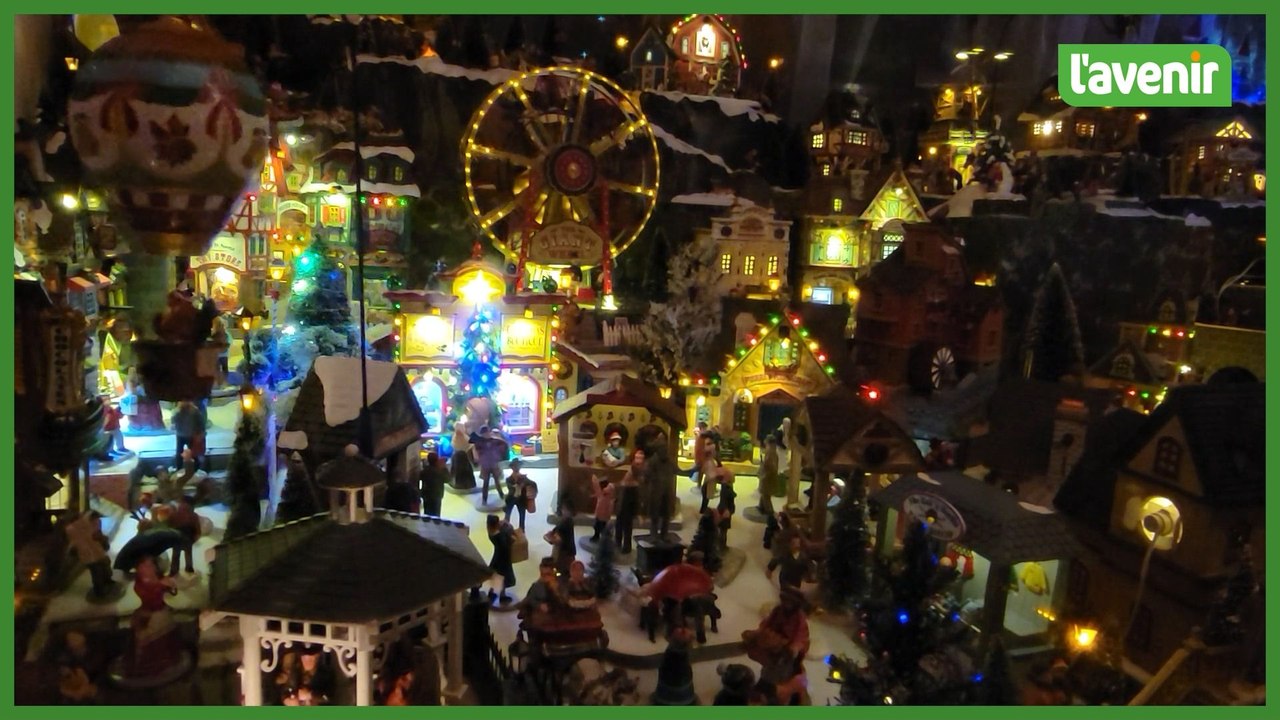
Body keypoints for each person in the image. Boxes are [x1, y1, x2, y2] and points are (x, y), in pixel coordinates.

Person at [743, 586, 810, 706]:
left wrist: (793, 648)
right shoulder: (778, 610)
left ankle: (776, 694)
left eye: (790, 602)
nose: (787, 604)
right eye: (785, 600)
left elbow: (801, 636)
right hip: (774, 646)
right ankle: (765, 684)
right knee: (769, 668)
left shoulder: (799, 618)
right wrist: (758, 633)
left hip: (787, 651)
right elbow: (767, 623)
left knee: (781, 672)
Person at [64, 511, 115, 598]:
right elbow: (95, 535)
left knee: (102, 567)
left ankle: (106, 582)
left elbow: (96, 535)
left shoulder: (71, 528)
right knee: (97, 571)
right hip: (89, 553)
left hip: (93, 551)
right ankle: (100, 591)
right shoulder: (86, 524)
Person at [644, 436, 676, 539]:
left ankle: (664, 534)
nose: (665, 451)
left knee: (666, 515)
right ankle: (654, 534)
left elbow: (677, 470)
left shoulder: (669, 461)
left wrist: (692, 470)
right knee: (655, 516)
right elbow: (647, 476)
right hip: (656, 492)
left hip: (666, 491)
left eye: (665, 449)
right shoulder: (652, 461)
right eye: (662, 449)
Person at [471, 426, 509, 505]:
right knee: (486, 483)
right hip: (486, 464)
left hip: (493, 463)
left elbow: (504, 444)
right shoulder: (479, 442)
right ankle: (484, 499)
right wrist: (477, 458)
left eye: (488, 433)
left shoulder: (495, 440)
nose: (487, 435)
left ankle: (501, 495)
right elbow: (475, 450)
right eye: (485, 433)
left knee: (497, 481)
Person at [615, 449, 643, 554]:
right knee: (620, 523)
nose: (639, 460)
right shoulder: (632, 468)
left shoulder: (637, 469)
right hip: (624, 496)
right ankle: (618, 543)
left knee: (626, 525)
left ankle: (625, 547)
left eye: (641, 458)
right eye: (637, 457)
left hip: (629, 497)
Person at [486, 515, 516, 604]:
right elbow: (507, 545)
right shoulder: (500, 536)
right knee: (503, 578)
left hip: (497, 557)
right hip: (503, 560)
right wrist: (508, 529)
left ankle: (492, 595)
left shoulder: (491, 533)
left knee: (497, 577)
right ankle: (501, 597)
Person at [502, 458, 535, 531]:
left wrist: (525, 484)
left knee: (522, 516)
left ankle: (521, 530)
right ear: (512, 467)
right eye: (515, 466)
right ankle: (505, 529)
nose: (516, 468)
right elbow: (510, 489)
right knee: (507, 514)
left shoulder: (524, 478)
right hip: (511, 499)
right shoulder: (509, 479)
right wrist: (517, 484)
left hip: (521, 500)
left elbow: (532, 483)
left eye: (518, 466)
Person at [171, 400, 205, 471]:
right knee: (191, 453)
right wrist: (201, 432)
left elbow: (173, 421)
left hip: (184, 435)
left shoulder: (178, 411)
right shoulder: (194, 410)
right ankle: (195, 469)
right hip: (189, 434)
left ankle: (180, 468)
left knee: (181, 453)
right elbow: (201, 423)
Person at [546, 500, 577, 577]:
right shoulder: (567, 521)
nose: (563, 511)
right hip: (569, 550)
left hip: (564, 552)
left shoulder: (565, 523)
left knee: (561, 571)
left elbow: (558, 540)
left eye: (564, 509)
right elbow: (555, 531)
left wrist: (549, 538)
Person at [419, 452, 448, 516]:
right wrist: (444, 467)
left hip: (426, 495)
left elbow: (420, 477)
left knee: (427, 513)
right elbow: (447, 480)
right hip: (437, 495)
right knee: (436, 513)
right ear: (437, 460)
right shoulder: (440, 471)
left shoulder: (425, 471)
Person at [449, 419, 476, 490]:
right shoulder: (464, 437)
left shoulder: (456, 437)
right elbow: (470, 446)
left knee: (458, 471)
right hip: (463, 457)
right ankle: (465, 484)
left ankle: (459, 484)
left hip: (459, 457)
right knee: (463, 471)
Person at [698, 436, 721, 514]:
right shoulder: (712, 446)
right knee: (705, 492)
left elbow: (705, 451)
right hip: (710, 468)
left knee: (706, 492)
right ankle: (703, 508)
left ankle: (703, 509)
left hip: (710, 470)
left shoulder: (711, 446)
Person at [589, 474, 615, 543]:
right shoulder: (603, 491)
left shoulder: (609, 489)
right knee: (597, 526)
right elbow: (598, 493)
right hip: (600, 512)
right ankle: (596, 536)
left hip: (604, 513)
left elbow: (601, 490)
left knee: (603, 527)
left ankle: (605, 539)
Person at [757, 435, 779, 515]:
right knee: (764, 494)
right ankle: (761, 507)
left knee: (766, 495)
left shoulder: (771, 452)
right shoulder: (771, 451)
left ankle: (770, 513)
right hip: (768, 475)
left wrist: (764, 473)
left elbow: (770, 465)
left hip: (768, 476)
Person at [716, 469, 736, 551]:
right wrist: (726, 510)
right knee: (723, 531)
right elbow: (726, 499)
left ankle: (722, 546)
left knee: (723, 531)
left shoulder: (726, 486)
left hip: (725, 510)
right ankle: (721, 547)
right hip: (725, 511)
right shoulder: (726, 488)